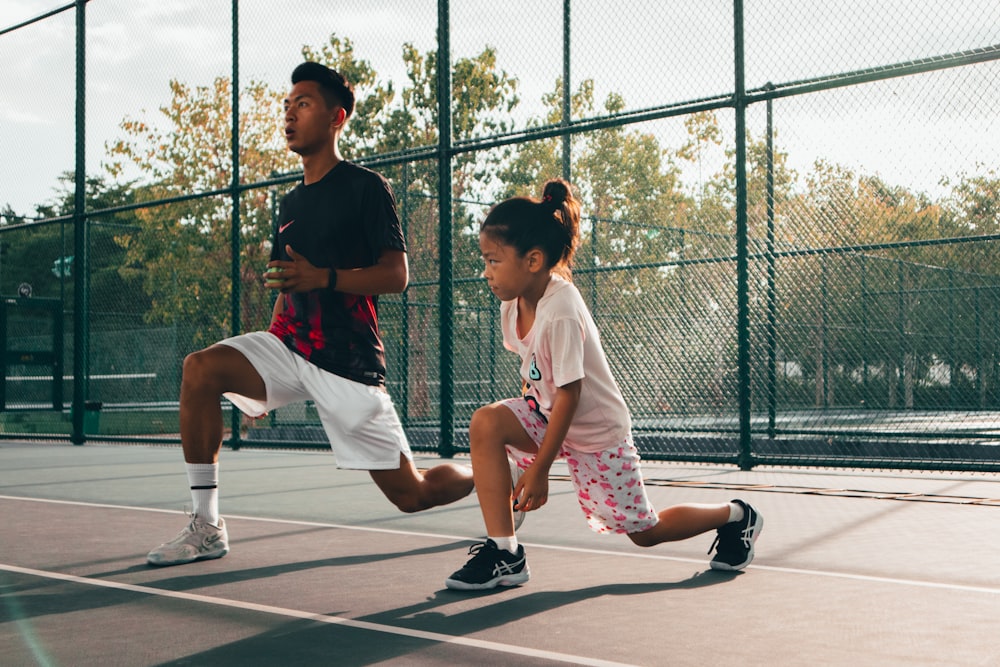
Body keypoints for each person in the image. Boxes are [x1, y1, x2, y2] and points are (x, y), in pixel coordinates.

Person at [147, 61, 475, 566]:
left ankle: (493, 471)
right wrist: (275, 326)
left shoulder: (367, 188)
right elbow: (289, 279)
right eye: (287, 105)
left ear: (335, 117)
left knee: (414, 494)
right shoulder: (290, 202)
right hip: (288, 344)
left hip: (347, 360)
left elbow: (396, 275)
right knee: (201, 368)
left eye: (303, 104)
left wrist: (325, 277)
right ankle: (207, 525)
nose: (289, 113)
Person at [444, 179, 763, 590]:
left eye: (493, 261)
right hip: (549, 415)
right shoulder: (513, 301)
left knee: (645, 533)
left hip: (595, 432)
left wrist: (539, 468)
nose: (485, 272)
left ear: (534, 260)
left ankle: (737, 515)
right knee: (487, 422)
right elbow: (539, 371)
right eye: (485, 261)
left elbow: (571, 394)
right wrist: (521, 434)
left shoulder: (561, 308)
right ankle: (505, 553)